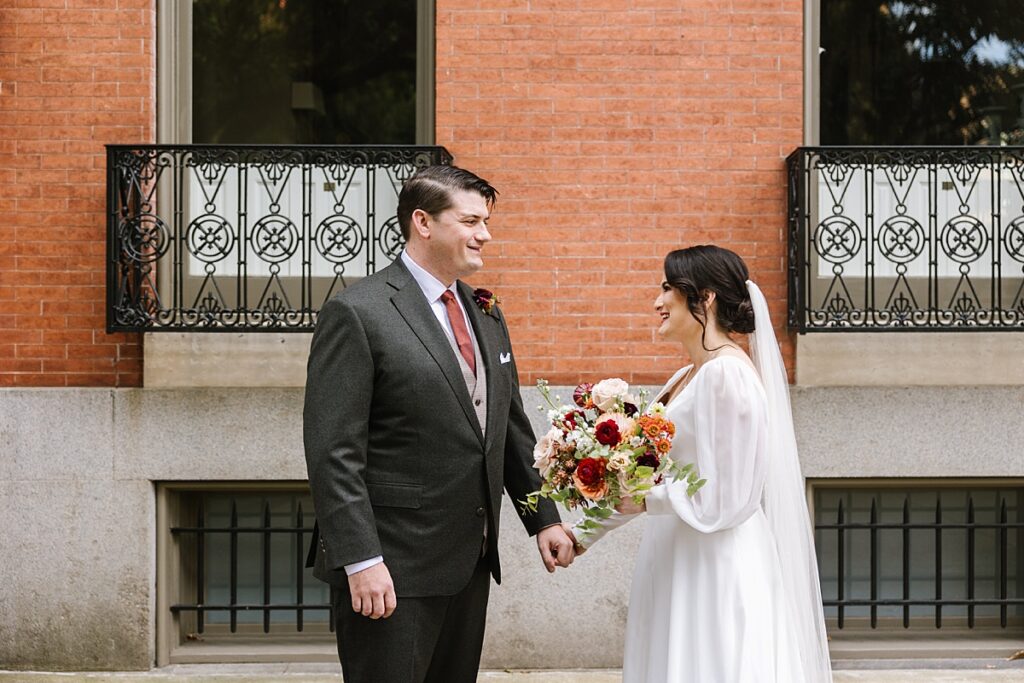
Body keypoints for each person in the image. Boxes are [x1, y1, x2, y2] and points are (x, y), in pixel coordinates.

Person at [303, 165, 575, 683]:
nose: (486, 234)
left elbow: (507, 428)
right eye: (471, 220)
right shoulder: (358, 312)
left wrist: (543, 517)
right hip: (390, 570)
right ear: (423, 222)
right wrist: (361, 560)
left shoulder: (485, 311)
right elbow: (333, 452)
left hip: (468, 563)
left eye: (486, 221)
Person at [566, 245, 833, 682]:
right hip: (677, 557)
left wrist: (651, 501)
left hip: (714, 565)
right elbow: (641, 475)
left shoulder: (726, 376)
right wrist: (581, 536)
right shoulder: (687, 375)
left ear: (704, 298)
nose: (657, 302)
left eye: (667, 288)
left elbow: (727, 498)